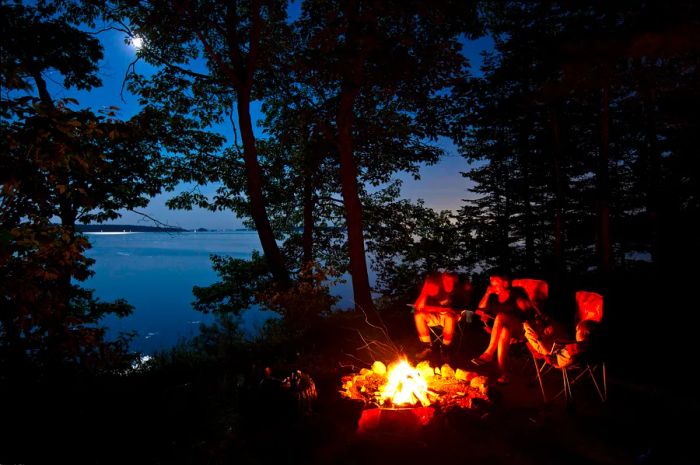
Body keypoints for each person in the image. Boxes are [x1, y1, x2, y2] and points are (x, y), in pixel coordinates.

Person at [470, 271, 533, 384]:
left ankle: (489, 353)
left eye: (495, 284)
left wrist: (523, 302)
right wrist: (487, 293)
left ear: (505, 283)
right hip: (505, 330)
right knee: (504, 331)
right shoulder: (494, 298)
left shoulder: (516, 293)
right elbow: (480, 309)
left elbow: (528, 313)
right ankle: (503, 372)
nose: (492, 287)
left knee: (500, 316)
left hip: (521, 329)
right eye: (491, 284)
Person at [413, 271, 472, 364]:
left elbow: (461, 309)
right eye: (445, 280)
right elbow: (419, 307)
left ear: (455, 280)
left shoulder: (459, 290)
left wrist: (449, 311)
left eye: (451, 280)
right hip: (437, 315)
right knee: (418, 315)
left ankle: (445, 349)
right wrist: (425, 289)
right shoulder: (436, 289)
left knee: (449, 317)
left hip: (453, 317)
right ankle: (427, 347)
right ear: (442, 279)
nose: (448, 282)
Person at [524, 319, 601, 368]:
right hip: (583, 362)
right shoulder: (592, 346)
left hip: (554, 359)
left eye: (577, 331)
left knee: (528, 330)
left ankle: (525, 326)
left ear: (584, 334)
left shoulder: (575, 349)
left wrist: (538, 339)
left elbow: (548, 352)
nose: (576, 332)